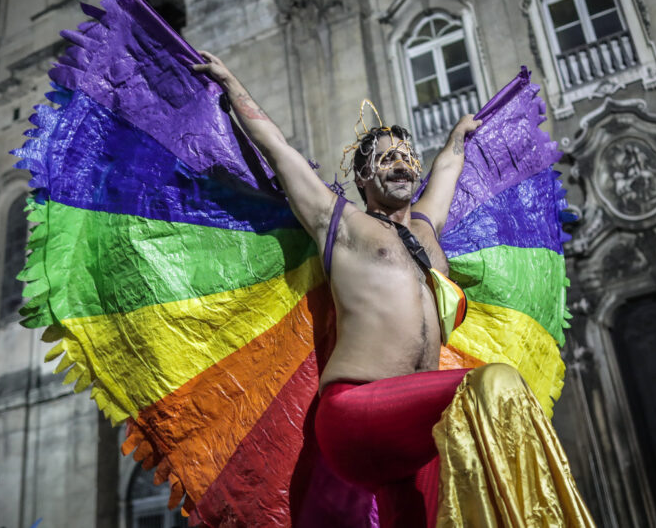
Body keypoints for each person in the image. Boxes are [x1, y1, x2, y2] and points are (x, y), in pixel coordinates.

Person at [194, 51, 593, 527]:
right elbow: (277, 149)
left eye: (407, 158)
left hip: (416, 427)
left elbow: (449, 165)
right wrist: (229, 82)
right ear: (364, 177)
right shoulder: (341, 223)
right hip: (358, 415)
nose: (401, 164)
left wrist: (461, 135)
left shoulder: (428, 231)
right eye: (386, 159)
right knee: (495, 383)